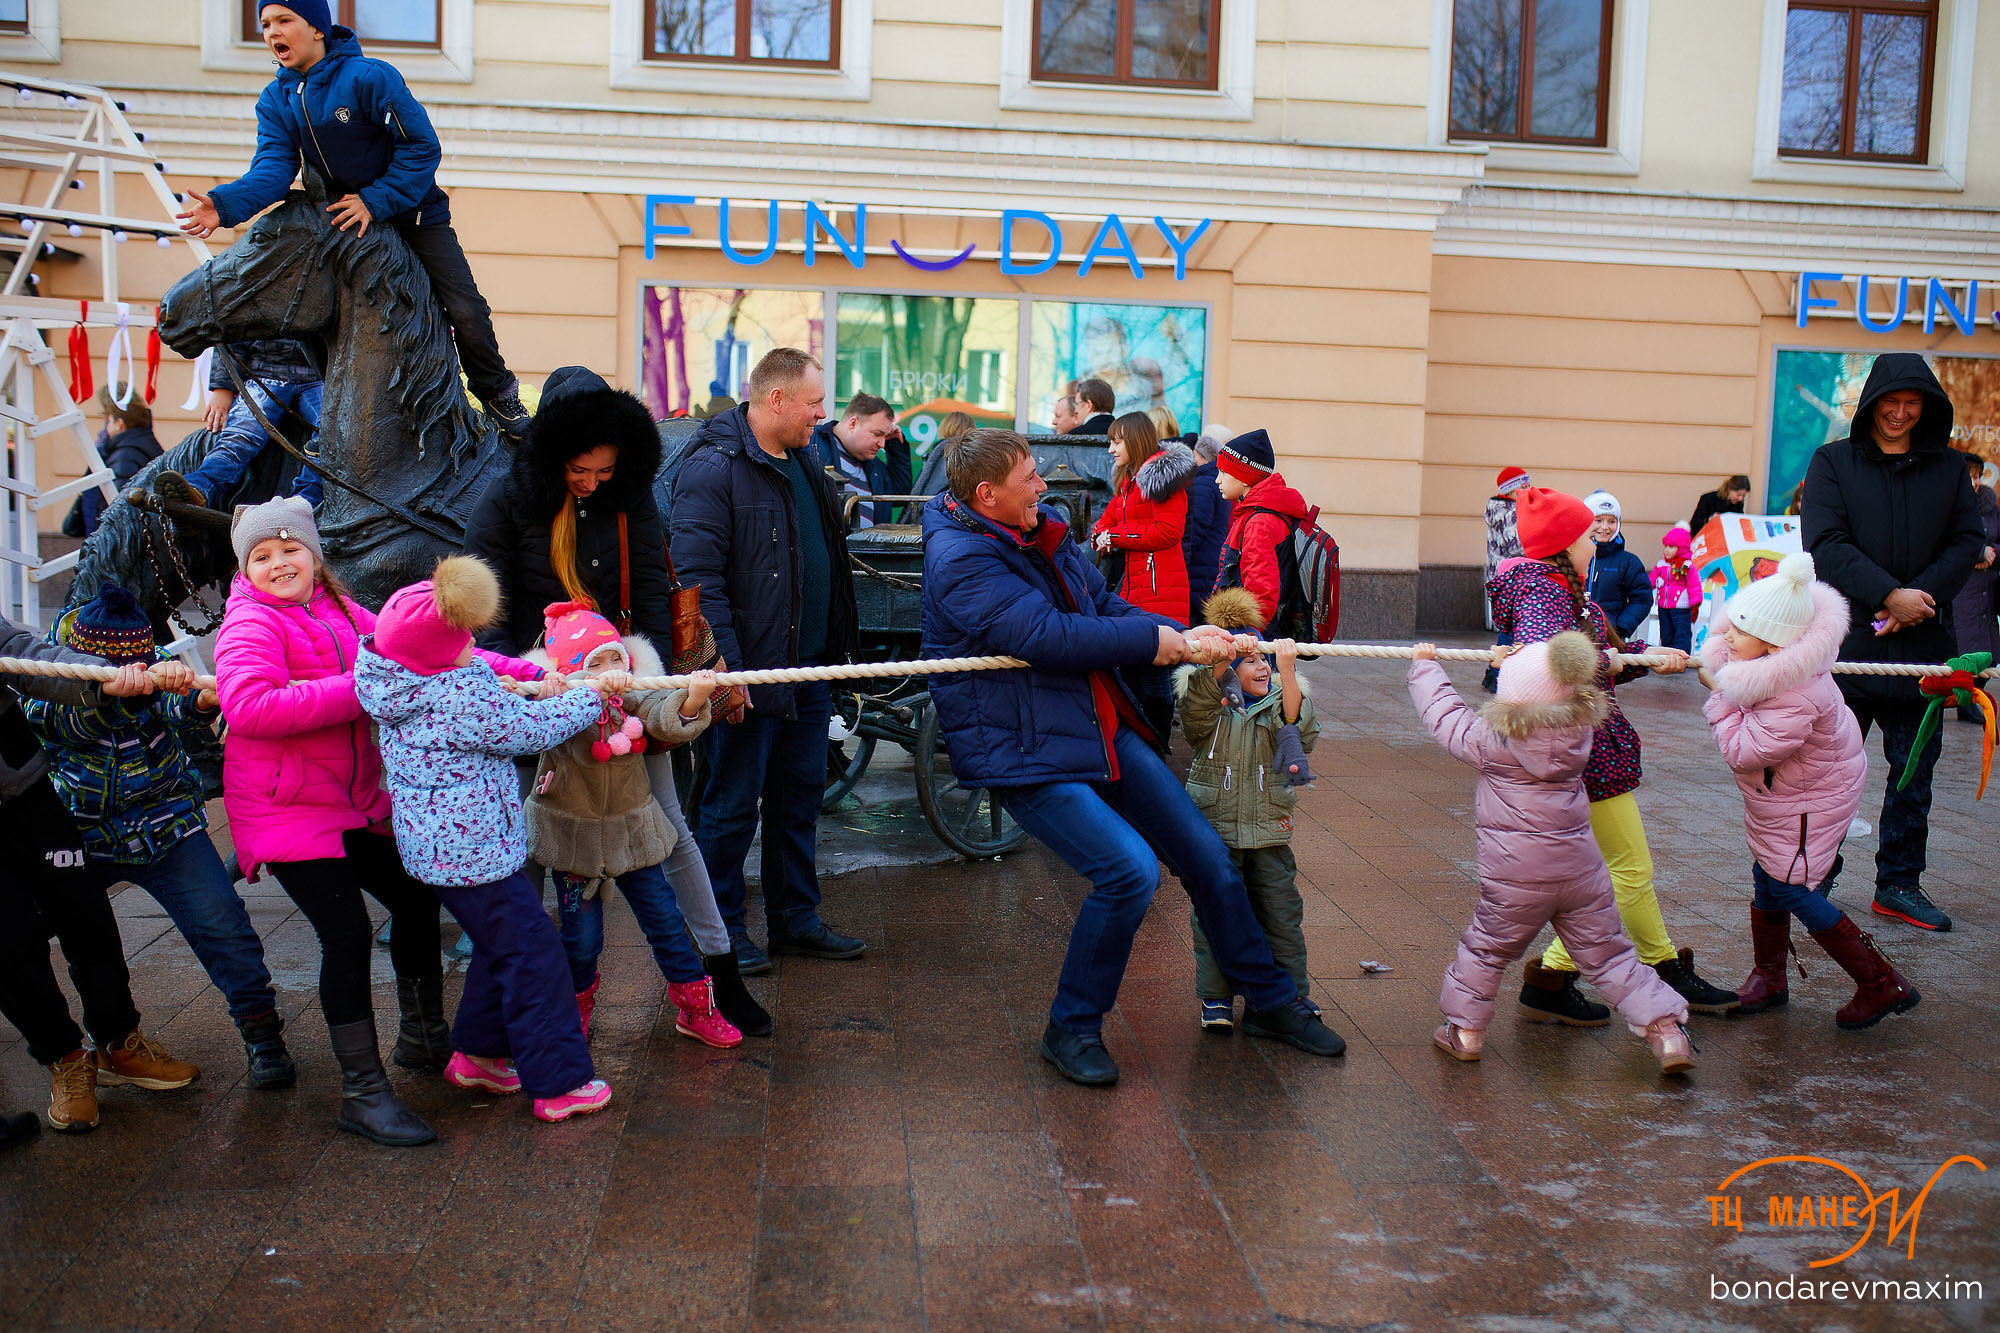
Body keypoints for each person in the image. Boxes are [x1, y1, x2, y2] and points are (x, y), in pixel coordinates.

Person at [920, 428, 1345, 1087]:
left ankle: (1270, 1002)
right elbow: (1045, 635)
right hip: (1024, 750)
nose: (1043, 484)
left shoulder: (1041, 526)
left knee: (1208, 858)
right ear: (986, 494)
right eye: (1029, 476)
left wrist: (1182, 633)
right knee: (1127, 872)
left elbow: (1099, 603)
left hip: (1093, 725)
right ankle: (1072, 1028)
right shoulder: (959, 558)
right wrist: (1157, 644)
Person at [214, 497, 544, 1146]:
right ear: (246, 569)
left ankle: (423, 1038)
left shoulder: (339, 607)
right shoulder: (248, 625)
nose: (279, 562)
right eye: (262, 555)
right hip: (288, 811)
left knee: (416, 898)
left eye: (290, 549)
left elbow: (432, 654)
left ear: (313, 554)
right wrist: (361, 691)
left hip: (352, 800)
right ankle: (363, 1094)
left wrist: (530, 675)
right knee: (347, 934)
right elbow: (251, 707)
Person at [460, 365, 766, 1037]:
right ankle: (515, 1001)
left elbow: (653, 592)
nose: (592, 481)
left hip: (624, 695)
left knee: (671, 833)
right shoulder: (505, 501)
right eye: (579, 469)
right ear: (551, 454)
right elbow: (484, 609)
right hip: (537, 701)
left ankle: (718, 974)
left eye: (603, 470)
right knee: (529, 840)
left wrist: (644, 680)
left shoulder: (632, 497)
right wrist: (532, 681)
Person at [175, 1, 530, 439]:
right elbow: (272, 169)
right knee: (312, 317)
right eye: (265, 24)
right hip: (340, 222)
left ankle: (498, 394)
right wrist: (222, 204)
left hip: (412, 215)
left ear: (318, 29)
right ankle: (351, 421)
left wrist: (374, 200)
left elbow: (421, 148)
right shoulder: (276, 98)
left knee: (467, 311)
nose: (272, 32)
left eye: (285, 20)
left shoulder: (370, 77)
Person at [354, 557, 615, 1123]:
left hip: (441, 853)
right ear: (442, 651)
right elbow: (531, 730)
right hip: (475, 855)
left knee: (506, 944)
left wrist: (527, 679)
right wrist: (592, 694)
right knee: (535, 953)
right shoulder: (457, 697)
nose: (473, 642)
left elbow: (478, 682)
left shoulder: (396, 677)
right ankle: (560, 1082)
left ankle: (480, 1055)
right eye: (465, 636)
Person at [21, 583, 295, 1090]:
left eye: (144, 660)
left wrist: (200, 699)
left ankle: (262, 1034)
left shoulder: (152, 660)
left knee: (223, 924)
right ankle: (76, 1049)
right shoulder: (50, 671)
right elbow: (60, 720)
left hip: (167, 826)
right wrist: (111, 689)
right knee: (26, 937)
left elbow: (176, 706)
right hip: (81, 834)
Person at [1488, 486, 1740, 1021]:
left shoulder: (1555, 585)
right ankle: (1564, 976)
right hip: (1583, 749)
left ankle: (1629, 970)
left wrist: (1646, 658)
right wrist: (1626, 661)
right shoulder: (1546, 590)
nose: (1593, 542)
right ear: (1563, 543)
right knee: (1628, 869)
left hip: (1583, 745)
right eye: (1585, 534)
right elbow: (1555, 663)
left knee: (1623, 868)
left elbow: (1587, 658)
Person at [1408, 635, 1695, 1075]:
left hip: (1516, 879)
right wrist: (1515, 669)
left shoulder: (1492, 739)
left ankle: (1465, 1031)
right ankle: (1668, 1033)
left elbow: (1446, 718)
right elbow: (1536, 700)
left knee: (1486, 951)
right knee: (1612, 956)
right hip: (1581, 873)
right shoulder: (1578, 730)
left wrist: (1426, 667)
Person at [672, 348, 865, 974]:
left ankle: (795, 920)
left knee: (798, 799)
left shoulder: (804, 458)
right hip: (750, 676)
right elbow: (698, 581)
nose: (822, 414)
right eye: (813, 403)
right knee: (730, 806)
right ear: (776, 399)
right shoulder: (714, 468)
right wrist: (725, 672)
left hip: (806, 669)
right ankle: (719, 931)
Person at [1697, 552, 1920, 1031]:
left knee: (1789, 886)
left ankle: (1880, 982)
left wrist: (1720, 692)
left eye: (1740, 629)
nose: (1727, 636)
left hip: (1809, 799)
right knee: (1767, 873)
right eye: (1730, 624)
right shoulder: (1770, 669)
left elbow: (1743, 749)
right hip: (1786, 795)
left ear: (1775, 644)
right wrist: (1726, 676)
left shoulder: (1795, 689)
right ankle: (1769, 977)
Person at [1802, 353, 1984, 933]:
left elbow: (1965, 545)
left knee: (1913, 774)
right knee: (1828, 772)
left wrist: (1916, 600)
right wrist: (1886, 595)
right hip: (1847, 645)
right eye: (1891, 401)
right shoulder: (1833, 461)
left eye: (1912, 403)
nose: (1900, 413)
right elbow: (1826, 543)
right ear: (1872, 402)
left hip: (1922, 649)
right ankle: (1813, 875)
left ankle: (1899, 884)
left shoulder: (1951, 470)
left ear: (1927, 408)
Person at [0, 614, 199, 1133]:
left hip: (26, 796)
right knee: (9, 945)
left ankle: (119, 1041)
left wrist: (103, 679)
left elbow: (30, 656)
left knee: (84, 912)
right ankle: (65, 1058)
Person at [523, 602, 740, 1050]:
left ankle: (697, 1008)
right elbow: (530, 723)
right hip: (575, 845)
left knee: (665, 920)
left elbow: (663, 714)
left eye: (615, 657)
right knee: (580, 938)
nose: (608, 670)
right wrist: (557, 693)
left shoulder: (632, 696)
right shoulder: (553, 702)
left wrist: (694, 699)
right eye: (593, 663)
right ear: (567, 670)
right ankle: (574, 1013)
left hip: (633, 835)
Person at [1176, 587, 1319, 1031]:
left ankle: (1286, 995)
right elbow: (1198, 703)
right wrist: (1220, 655)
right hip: (1216, 826)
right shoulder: (1210, 707)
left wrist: (1290, 672)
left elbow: (1300, 729)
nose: (1262, 666)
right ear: (1230, 671)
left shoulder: (1281, 701)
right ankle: (1216, 998)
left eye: (1265, 659)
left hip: (1269, 829)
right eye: (1250, 660)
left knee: (1281, 913)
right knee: (1217, 913)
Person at [1092, 413, 1195, 742]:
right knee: (1137, 672)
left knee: (1152, 675)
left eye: (1116, 441)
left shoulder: (1158, 478)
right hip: (1139, 590)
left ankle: (1156, 746)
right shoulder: (1129, 479)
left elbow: (1168, 531)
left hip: (1159, 589)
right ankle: (1145, 745)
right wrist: (1102, 535)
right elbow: (1105, 522)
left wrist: (1115, 537)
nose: (1110, 448)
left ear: (1134, 441)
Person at [154, 338, 324, 511]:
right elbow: (231, 333)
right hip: (263, 374)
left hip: (318, 376)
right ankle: (200, 487)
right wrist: (223, 388)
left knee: (330, 435)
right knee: (240, 435)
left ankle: (306, 499)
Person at [1213, 429, 1307, 628]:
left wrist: (1252, 641)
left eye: (1224, 472)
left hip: (1257, 637)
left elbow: (1261, 595)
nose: (1217, 480)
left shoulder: (1259, 522)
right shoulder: (1262, 512)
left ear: (1245, 478)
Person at [68, 388, 161, 536]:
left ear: (119, 423)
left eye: (108, 420)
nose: (106, 426)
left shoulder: (124, 454)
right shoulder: (142, 444)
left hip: (116, 536)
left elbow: (118, 504)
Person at [811, 392, 912, 528]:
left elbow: (900, 493)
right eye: (877, 434)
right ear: (853, 424)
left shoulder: (873, 466)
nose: (882, 444)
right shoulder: (812, 444)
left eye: (885, 436)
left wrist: (894, 444)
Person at [1950, 453, 1999, 723]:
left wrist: (1992, 552)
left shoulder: (1991, 506)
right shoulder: (1948, 507)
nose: (1976, 481)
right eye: (1970, 476)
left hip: (1987, 590)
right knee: (1965, 649)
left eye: (1978, 475)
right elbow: (1948, 543)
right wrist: (1978, 553)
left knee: (1989, 654)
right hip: (1962, 591)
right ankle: (1963, 701)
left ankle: (1971, 697)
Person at [1483, 467, 1532, 692]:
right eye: (1523, 486)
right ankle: (1497, 675)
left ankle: (1494, 673)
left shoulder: (1497, 509)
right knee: (1511, 629)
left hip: (1501, 577)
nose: (1528, 489)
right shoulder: (1510, 512)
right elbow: (1518, 547)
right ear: (1511, 490)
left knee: (1509, 626)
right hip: (1513, 578)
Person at [1583, 491, 1653, 643]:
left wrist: (1621, 627)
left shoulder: (1628, 562)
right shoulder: (1575, 557)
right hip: (1574, 636)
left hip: (1610, 639)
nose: (1605, 527)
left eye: (1611, 521)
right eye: (1598, 520)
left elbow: (1642, 599)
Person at [1181, 424, 1232, 621]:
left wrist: (1183, 554)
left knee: (1196, 622)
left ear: (1201, 455)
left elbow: (1195, 529)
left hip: (1199, 566)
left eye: (1194, 453)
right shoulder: (1213, 480)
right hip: (1208, 563)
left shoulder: (1203, 483)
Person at [1650, 526, 1703, 655]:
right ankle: (1666, 657)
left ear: (1681, 548)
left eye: (1671, 547)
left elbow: (1694, 586)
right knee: (1666, 633)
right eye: (1666, 546)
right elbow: (1650, 580)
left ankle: (1681, 658)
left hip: (1681, 607)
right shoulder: (1661, 564)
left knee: (1681, 634)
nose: (1667, 550)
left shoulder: (1687, 566)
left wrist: (1695, 603)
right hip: (1664, 605)